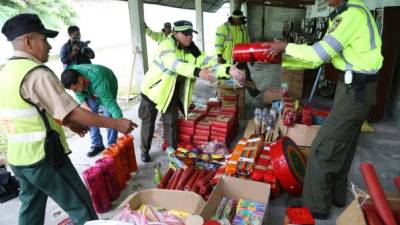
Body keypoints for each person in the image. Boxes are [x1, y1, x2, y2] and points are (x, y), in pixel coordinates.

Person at [0, 14, 137, 225]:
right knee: (81, 206)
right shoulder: (36, 73)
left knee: (31, 208)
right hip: (44, 157)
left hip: (19, 160)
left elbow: (36, 110)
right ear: (27, 41)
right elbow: (73, 111)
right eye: (44, 40)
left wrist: (68, 123)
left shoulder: (7, 71)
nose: (49, 46)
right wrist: (117, 123)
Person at [265, 0, 383, 219]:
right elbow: (319, 57)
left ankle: (315, 206)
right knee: (345, 144)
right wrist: (286, 56)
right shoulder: (345, 13)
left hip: (355, 89)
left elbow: (318, 54)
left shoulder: (352, 15)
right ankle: (337, 196)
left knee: (322, 148)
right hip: (355, 86)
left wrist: (286, 46)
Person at [139, 20, 245, 163]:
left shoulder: (191, 48)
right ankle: (144, 150)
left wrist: (227, 69)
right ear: (175, 34)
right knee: (148, 123)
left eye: (191, 34)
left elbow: (207, 62)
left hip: (170, 93)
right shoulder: (166, 45)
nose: (189, 37)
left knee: (171, 124)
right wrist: (197, 71)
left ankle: (172, 153)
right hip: (152, 91)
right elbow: (175, 64)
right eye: (186, 34)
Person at [61, 64, 122, 157]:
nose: (75, 92)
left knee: (109, 113)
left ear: (80, 80)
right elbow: (81, 99)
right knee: (88, 115)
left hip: (107, 82)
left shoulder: (98, 80)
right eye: (73, 90)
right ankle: (97, 145)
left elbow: (111, 105)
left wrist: (121, 122)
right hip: (88, 87)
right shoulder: (72, 76)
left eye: (75, 89)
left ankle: (112, 145)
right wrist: (89, 114)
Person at [215, 10, 260, 97]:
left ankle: (254, 92)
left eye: (241, 19)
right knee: (224, 78)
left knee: (245, 76)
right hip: (227, 59)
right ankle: (220, 96)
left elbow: (248, 43)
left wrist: (251, 56)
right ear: (233, 19)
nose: (240, 21)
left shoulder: (243, 28)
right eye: (238, 19)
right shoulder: (223, 28)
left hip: (241, 58)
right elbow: (218, 43)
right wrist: (219, 55)